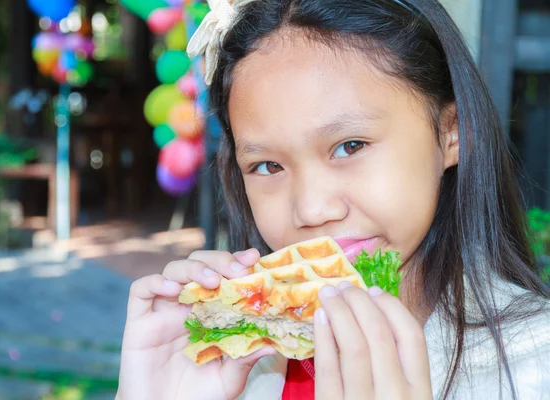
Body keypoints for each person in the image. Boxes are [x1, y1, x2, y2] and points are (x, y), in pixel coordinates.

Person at [116, 0, 550, 398]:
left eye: (350, 146)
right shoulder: (238, 368)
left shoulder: (533, 368)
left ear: (452, 131)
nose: (312, 209)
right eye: (268, 166)